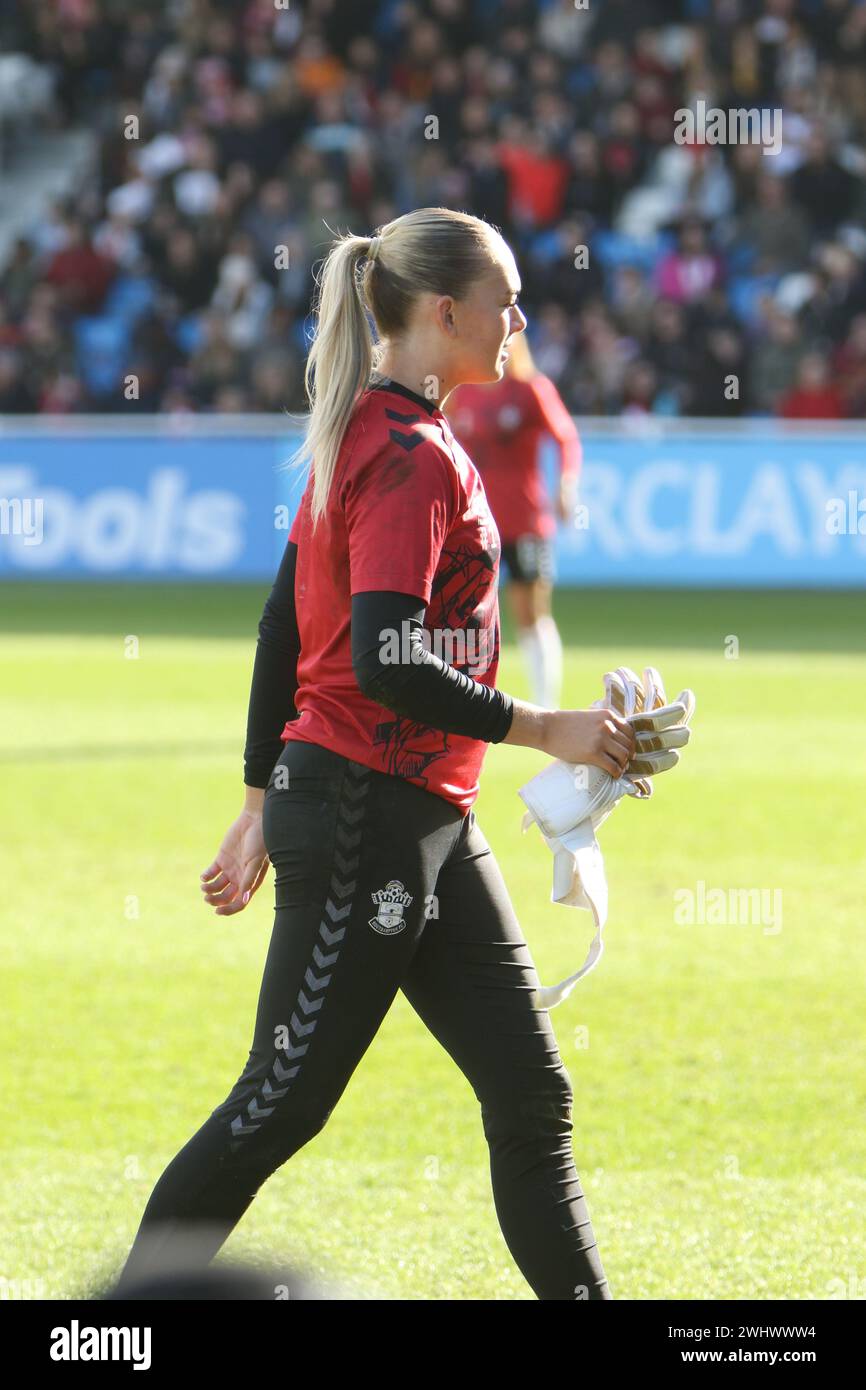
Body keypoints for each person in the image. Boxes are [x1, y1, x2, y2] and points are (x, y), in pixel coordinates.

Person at [118, 207, 636, 1301]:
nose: (520, 320)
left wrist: (260, 797)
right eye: (505, 300)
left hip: (418, 814)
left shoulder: (374, 431)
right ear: (445, 312)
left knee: (528, 1094)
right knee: (279, 1101)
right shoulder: (402, 454)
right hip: (368, 812)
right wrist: (553, 728)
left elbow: (278, 629)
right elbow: (389, 659)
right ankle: (109, 1328)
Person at [444, 331, 580, 709]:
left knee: (531, 613)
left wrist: (566, 485)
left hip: (525, 522)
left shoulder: (531, 389)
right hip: (473, 526)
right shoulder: (462, 394)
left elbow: (566, 438)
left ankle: (545, 702)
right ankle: (462, 701)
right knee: (463, 615)